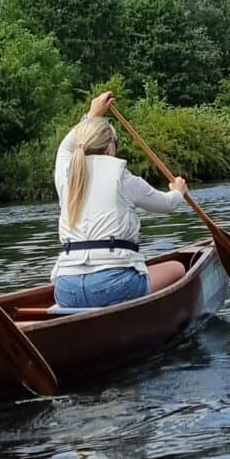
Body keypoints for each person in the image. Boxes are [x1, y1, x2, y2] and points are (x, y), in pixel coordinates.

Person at [51, 91, 194, 309]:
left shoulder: (65, 174)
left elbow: (67, 146)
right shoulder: (123, 178)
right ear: (109, 146)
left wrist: (91, 113)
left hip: (66, 289)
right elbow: (167, 205)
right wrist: (178, 191)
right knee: (178, 268)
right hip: (112, 286)